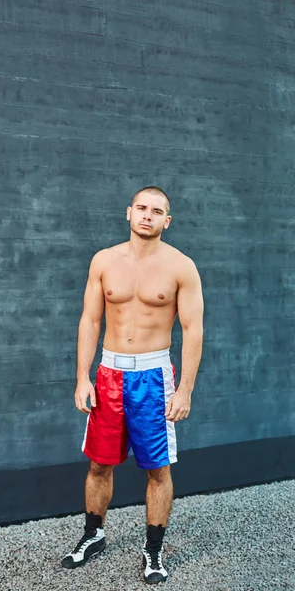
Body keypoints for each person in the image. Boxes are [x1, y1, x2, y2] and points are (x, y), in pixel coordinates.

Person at [61, 186, 204, 584]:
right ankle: (94, 534)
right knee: (99, 463)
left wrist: (185, 389)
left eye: (156, 211)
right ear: (129, 212)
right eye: (141, 208)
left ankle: (153, 550)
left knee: (157, 469)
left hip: (154, 378)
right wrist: (82, 377)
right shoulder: (104, 261)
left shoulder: (181, 266)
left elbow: (193, 330)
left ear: (166, 221)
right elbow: (90, 320)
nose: (147, 215)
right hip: (108, 374)